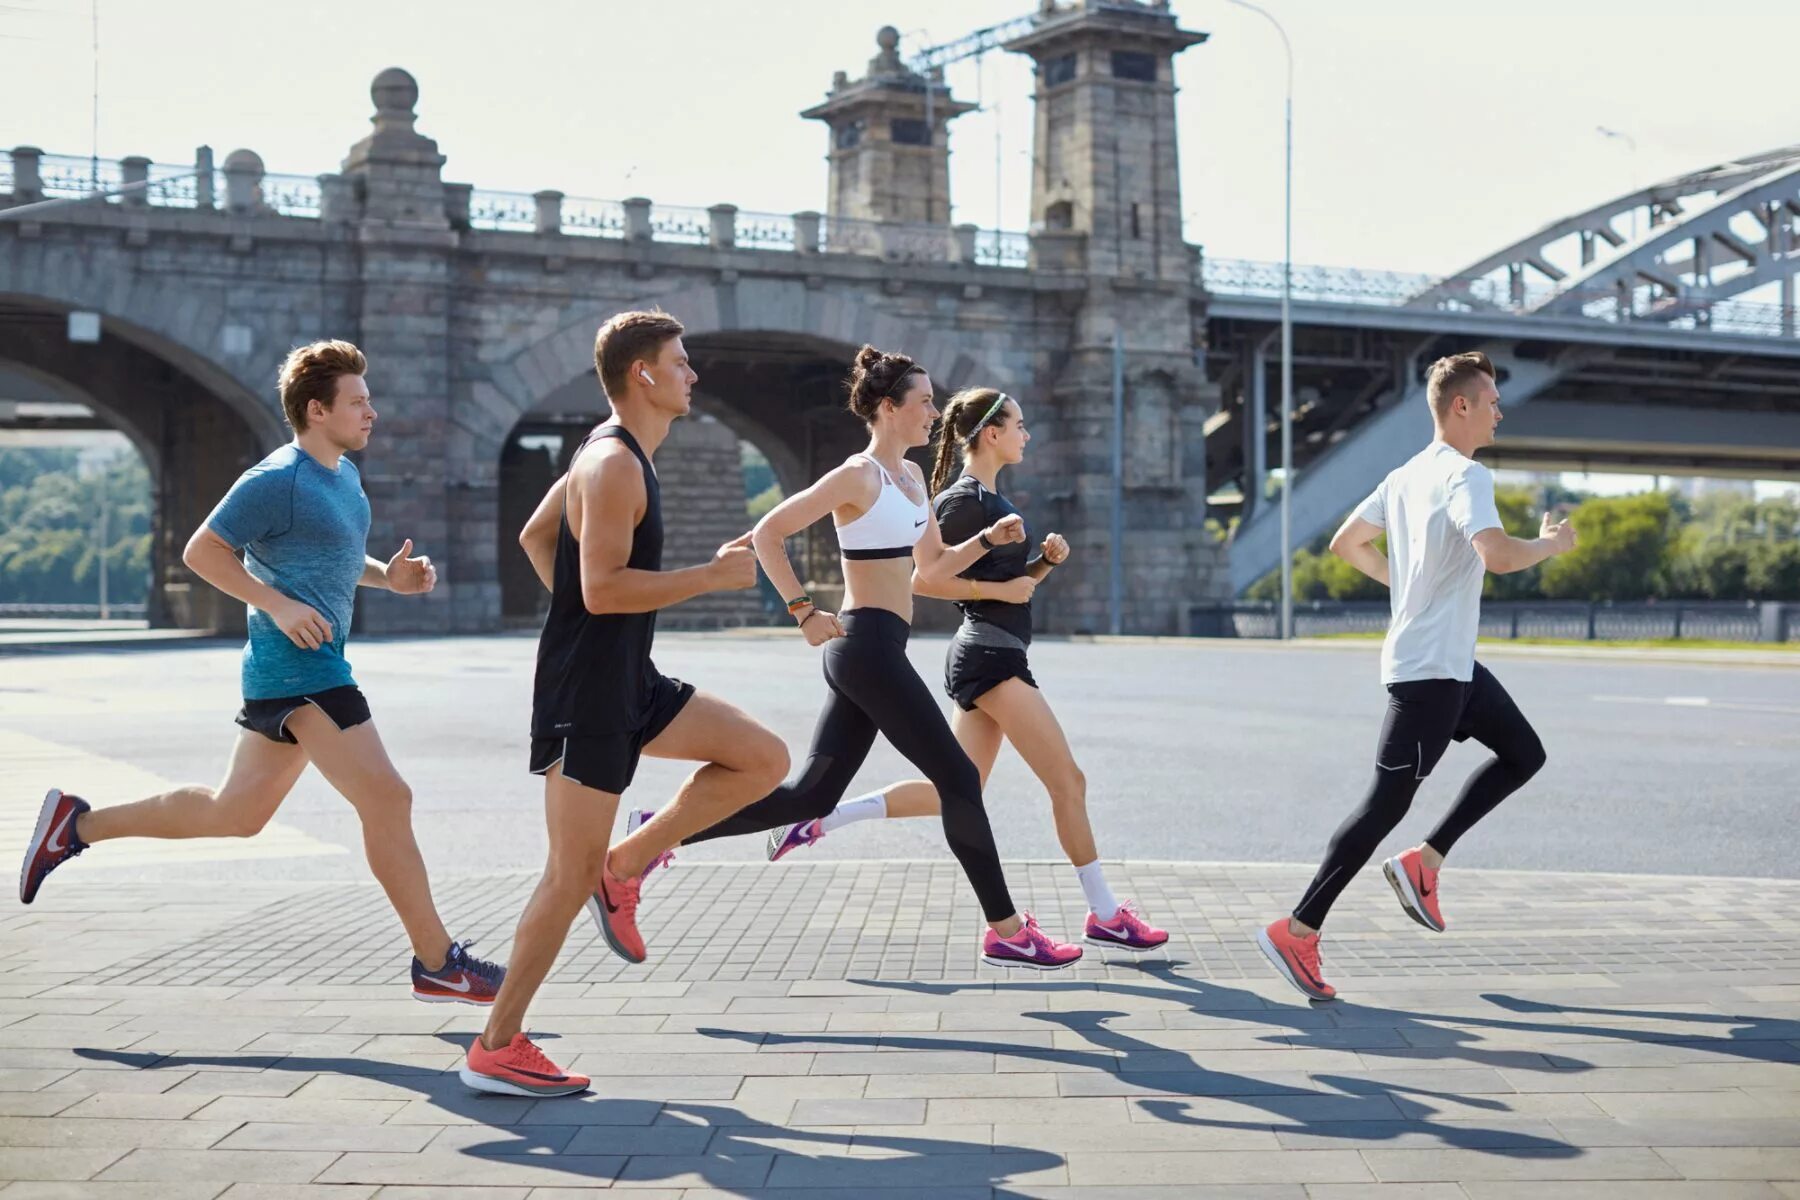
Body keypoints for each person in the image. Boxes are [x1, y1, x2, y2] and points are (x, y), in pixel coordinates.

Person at [19, 340, 505, 1006]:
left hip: (291, 674)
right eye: (358, 402)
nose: (373, 413)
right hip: (302, 670)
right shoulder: (278, 478)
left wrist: (386, 578)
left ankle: (74, 826)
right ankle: (436, 961)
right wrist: (275, 604)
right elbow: (203, 551)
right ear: (317, 408)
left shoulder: (341, 477)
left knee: (234, 814)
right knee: (388, 798)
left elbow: (329, 560)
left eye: (369, 400)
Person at [655, 345, 1082, 972]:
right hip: (864, 647)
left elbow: (931, 569)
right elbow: (770, 532)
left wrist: (988, 540)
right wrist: (802, 610)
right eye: (925, 402)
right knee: (960, 781)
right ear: (889, 408)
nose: (935, 413)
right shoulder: (858, 475)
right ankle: (1007, 930)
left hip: (879, 648)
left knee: (808, 798)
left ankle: (656, 833)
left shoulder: (913, 481)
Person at [461, 310, 789, 1097]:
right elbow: (601, 587)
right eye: (680, 362)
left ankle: (628, 866)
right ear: (642, 374)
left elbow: (539, 540)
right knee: (564, 877)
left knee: (764, 758)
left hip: (624, 676)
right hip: (590, 694)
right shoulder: (612, 465)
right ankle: (496, 1046)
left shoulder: (610, 454)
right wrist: (707, 579)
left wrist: (579, 624)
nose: (694, 375)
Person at [753, 387, 1168, 953]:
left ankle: (820, 821)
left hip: (997, 649)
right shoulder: (962, 498)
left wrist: (1041, 565)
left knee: (953, 789)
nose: (1027, 435)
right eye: (1020, 425)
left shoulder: (992, 499)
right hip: (987, 656)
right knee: (1067, 780)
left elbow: (1008, 591)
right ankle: (1102, 914)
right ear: (992, 433)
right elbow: (927, 579)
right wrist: (994, 579)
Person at [1258, 351, 1575, 1001]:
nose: (1499, 411)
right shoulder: (1466, 476)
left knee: (1524, 753)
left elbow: (1346, 543)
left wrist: (1411, 586)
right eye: (1490, 401)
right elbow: (1498, 554)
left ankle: (1423, 863)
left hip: (1450, 666)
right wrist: (1550, 546)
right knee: (1385, 803)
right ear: (1460, 405)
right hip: (1430, 673)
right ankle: (1297, 928)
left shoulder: (1405, 476)